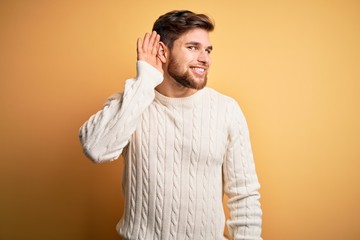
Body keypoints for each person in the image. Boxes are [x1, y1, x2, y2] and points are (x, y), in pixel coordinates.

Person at [79, 10, 262, 240]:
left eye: (207, 50)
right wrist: (145, 79)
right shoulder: (130, 103)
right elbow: (96, 148)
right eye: (193, 47)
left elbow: (244, 195)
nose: (205, 58)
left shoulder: (227, 110)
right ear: (163, 51)